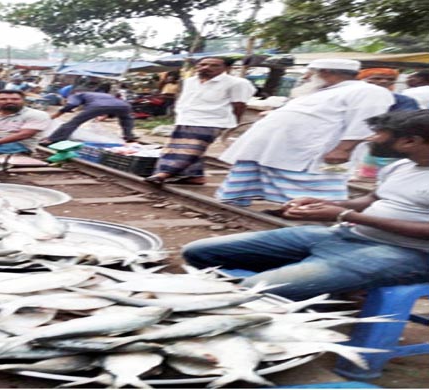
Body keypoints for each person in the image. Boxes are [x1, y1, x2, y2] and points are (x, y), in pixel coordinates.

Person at [182, 110, 429, 301]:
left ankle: (306, 286)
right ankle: (321, 285)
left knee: (252, 290)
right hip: (346, 235)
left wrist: (344, 214)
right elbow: (373, 200)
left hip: (406, 254)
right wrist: (325, 203)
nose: (371, 138)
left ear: (410, 141)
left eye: (379, 134)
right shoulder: (401, 165)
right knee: (199, 252)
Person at [215, 59, 394, 206]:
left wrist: (344, 149)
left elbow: (367, 122)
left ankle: (315, 213)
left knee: (322, 184)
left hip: (317, 152)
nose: (307, 77)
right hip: (277, 149)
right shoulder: (323, 91)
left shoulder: (368, 91)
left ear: (326, 72)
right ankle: (278, 208)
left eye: (310, 73)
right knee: (251, 175)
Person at [144, 57, 256, 185]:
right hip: (186, 118)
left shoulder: (237, 83)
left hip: (212, 120)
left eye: (214, 65)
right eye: (202, 64)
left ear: (226, 68)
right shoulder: (190, 81)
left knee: (191, 148)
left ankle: (164, 173)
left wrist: (234, 122)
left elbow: (239, 104)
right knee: (175, 147)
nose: (206, 67)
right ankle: (195, 176)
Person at [356, 68, 419, 179]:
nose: (383, 81)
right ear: (362, 80)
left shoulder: (403, 100)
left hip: (383, 144)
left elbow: (404, 121)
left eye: (390, 79)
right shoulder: (352, 97)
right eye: (376, 78)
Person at [43, 90, 139, 144]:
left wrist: (57, 114)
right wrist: (105, 115)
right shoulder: (103, 94)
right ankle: (129, 136)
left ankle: (52, 139)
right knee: (126, 120)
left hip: (97, 106)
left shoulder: (77, 94)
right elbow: (112, 105)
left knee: (74, 123)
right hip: (124, 106)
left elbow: (71, 105)